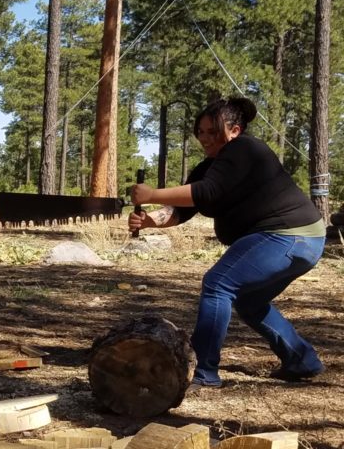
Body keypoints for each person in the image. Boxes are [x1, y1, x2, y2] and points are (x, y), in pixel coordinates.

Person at [129, 97, 326, 389]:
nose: (205, 138)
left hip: (287, 235)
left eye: (212, 131)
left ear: (234, 130)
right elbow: (184, 209)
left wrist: (152, 194)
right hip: (303, 240)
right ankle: (302, 361)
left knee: (218, 284)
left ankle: (201, 372)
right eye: (201, 132)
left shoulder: (244, 149)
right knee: (249, 300)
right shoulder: (210, 165)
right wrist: (151, 220)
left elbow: (206, 192)